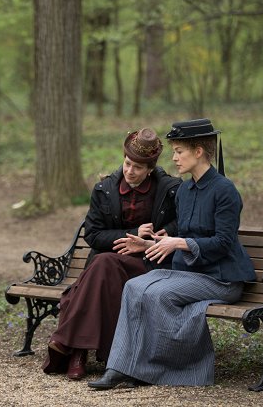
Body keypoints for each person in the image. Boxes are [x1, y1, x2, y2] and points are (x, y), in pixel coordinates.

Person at [87, 118, 256, 390]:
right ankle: (119, 368)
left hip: (221, 279)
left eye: (179, 151)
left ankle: (156, 369)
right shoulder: (185, 191)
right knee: (133, 287)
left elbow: (224, 243)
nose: (174, 158)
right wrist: (151, 245)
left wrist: (178, 243)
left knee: (155, 293)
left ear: (198, 151)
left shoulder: (224, 191)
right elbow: (178, 237)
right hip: (190, 273)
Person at [42, 128, 181, 380]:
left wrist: (151, 238)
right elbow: (93, 235)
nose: (130, 171)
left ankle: (72, 348)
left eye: (138, 168)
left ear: (149, 169)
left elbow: (180, 225)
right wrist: (131, 231)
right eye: (127, 164)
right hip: (108, 265)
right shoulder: (104, 188)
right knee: (103, 265)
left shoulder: (169, 189)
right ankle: (79, 352)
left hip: (147, 264)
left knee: (93, 274)